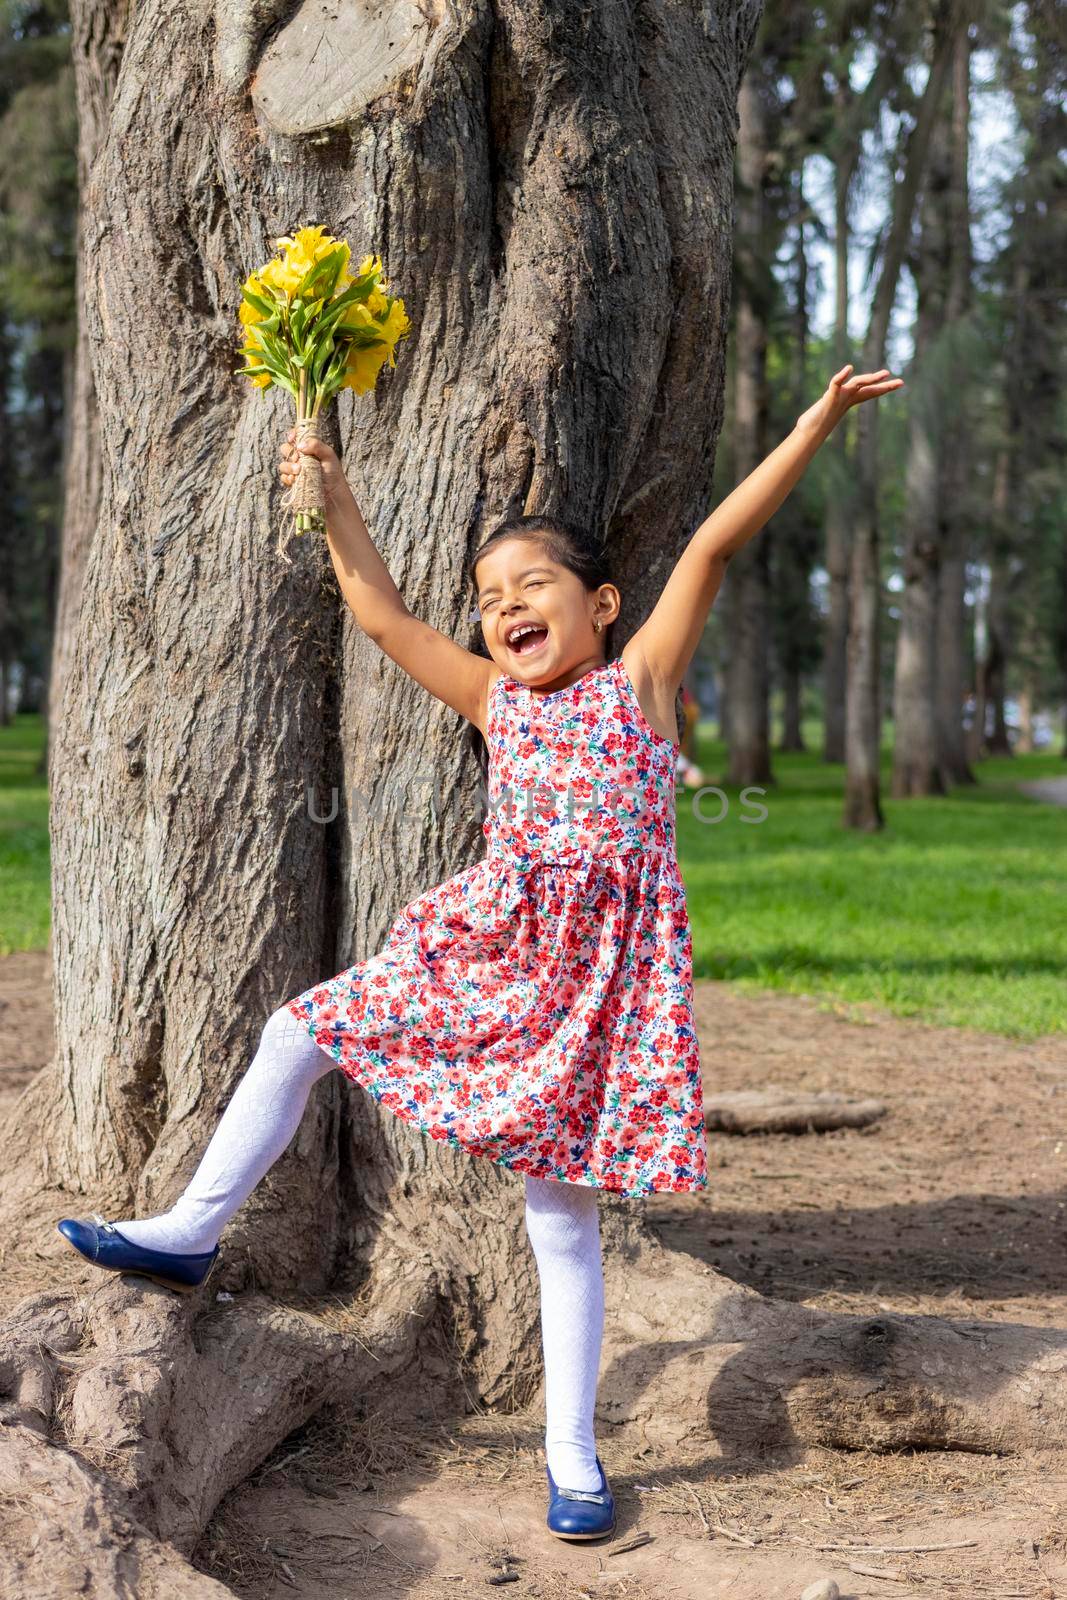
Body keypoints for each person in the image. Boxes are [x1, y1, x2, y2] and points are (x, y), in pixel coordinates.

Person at [57, 362, 901, 1541]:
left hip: (599, 986)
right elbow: (381, 615)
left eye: (533, 582)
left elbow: (709, 544)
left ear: (602, 604)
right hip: (493, 950)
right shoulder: (498, 705)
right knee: (299, 1027)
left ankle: (571, 1455)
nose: (506, 605)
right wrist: (332, 493)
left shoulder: (640, 687)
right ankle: (190, 1233)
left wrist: (812, 422)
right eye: (490, 594)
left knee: (559, 1221)